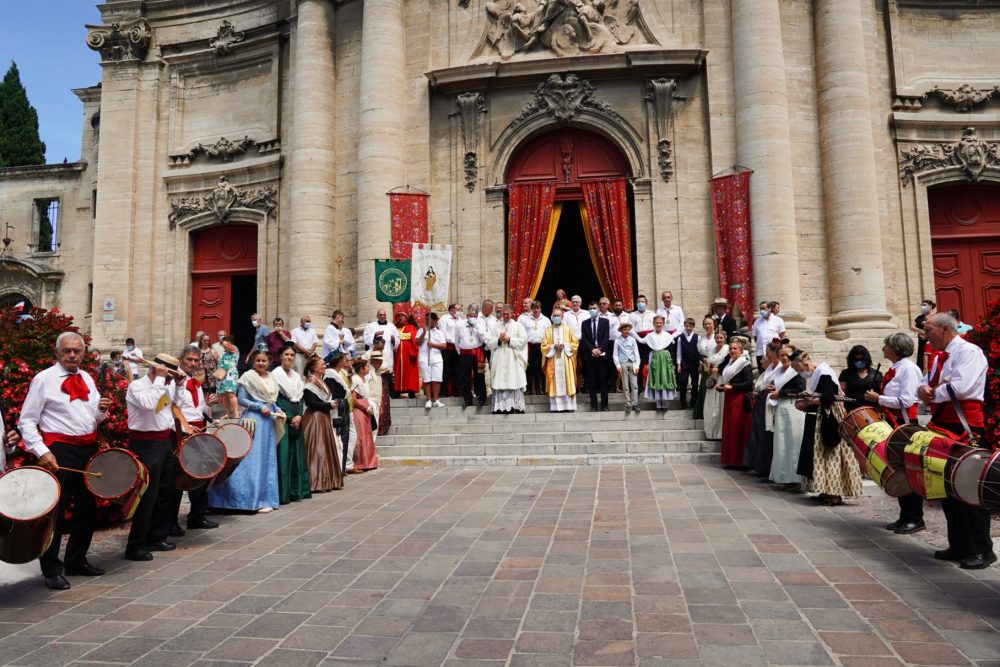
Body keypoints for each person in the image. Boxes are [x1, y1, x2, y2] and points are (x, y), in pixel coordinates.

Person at [18, 332, 110, 590]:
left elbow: (93, 419)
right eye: (67, 351)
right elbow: (26, 420)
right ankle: (51, 569)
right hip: (59, 450)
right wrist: (42, 452)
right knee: (55, 513)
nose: (72, 355)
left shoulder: (88, 378)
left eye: (77, 351)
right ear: (57, 353)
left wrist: (101, 410)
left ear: (83, 353)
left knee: (86, 508)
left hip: (87, 448)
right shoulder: (43, 379)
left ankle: (77, 560)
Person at [917, 313, 993, 569]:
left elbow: (960, 387)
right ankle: (959, 543)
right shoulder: (941, 357)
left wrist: (933, 393)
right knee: (946, 485)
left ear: (946, 329)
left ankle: (982, 548)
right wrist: (927, 391)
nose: (926, 335)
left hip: (964, 425)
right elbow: (928, 385)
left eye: (929, 330)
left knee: (969, 486)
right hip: (943, 424)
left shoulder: (969, 352)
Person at [124, 354, 183, 562]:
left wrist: (178, 385)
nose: (169, 378)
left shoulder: (165, 384)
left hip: (164, 441)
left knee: (165, 492)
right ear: (156, 370)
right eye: (168, 373)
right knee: (147, 496)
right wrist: (160, 380)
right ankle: (135, 545)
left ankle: (156, 536)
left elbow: (175, 404)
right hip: (146, 443)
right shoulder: (138, 386)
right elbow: (149, 404)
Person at [864, 333, 923, 535]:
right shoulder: (897, 369)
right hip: (893, 423)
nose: (883, 349)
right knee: (898, 468)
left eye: (886, 345)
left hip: (905, 424)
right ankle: (905, 515)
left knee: (907, 470)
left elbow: (906, 401)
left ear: (895, 349)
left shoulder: (908, 369)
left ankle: (915, 517)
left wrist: (878, 398)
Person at [209, 350, 282, 513]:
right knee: (252, 460)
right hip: (254, 420)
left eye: (264, 361)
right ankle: (242, 500)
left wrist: (278, 409)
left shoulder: (271, 377)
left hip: (268, 421)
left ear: (269, 362)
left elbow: (271, 400)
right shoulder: (247, 377)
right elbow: (241, 399)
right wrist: (259, 406)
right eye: (258, 361)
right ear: (253, 362)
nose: (261, 363)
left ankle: (264, 499)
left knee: (266, 459)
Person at [792, 351, 863, 506]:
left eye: (800, 370)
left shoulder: (823, 372)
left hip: (830, 416)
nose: (803, 374)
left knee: (832, 453)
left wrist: (806, 403)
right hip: (822, 415)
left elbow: (828, 397)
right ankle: (825, 490)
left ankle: (834, 493)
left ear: (805, 364)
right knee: (821, 454)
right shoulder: (819, 373)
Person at [171, 346, 218, 533]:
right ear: (181, 359)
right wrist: (186, 429)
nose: (193, 363)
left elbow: (199, 411)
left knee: (201, 473)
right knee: (178, 477)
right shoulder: (175, 380)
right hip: (180, 431)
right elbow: (171, 410)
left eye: (196, 360)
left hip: (199, 429)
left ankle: (197, 516)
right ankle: (170, 522)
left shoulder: (196, 383)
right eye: (189, 359)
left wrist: (208, 405)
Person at [272, 346, 312, 504]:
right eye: (286, 354)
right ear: (280, 356)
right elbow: (275, 399)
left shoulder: (296, 376)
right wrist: (289, 417)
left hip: (297, 417)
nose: (289, 357)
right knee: (284, 456)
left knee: (297, 456)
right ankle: (284, 493)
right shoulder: (275, 374)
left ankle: (298, 491)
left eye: (292, 355)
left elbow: (301, 398)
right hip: (283, 418)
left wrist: (300, 416)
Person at [301, 356, 344, 491]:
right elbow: (311, 403)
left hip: (323, 417)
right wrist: (328, 405)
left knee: (325, 447)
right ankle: (316, 481)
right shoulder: (310, 382)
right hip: (314, 418)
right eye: (321, 364)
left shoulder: (321, 381)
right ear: (314, 367)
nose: (324, 366)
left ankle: (327, 480)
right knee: (317, 448)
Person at [767, 345, 807, 487]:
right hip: (781, 408)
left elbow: (801, 389)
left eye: (787, 355)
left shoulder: (795, 371)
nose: (785, 358)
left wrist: (781, 393)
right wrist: (774, 390)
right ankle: (784, 476)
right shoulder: (779, 371)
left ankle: (796, 479)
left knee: (794, 442)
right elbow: (779, 388)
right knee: (782, 443)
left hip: (793, 408)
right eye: (782, 355)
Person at [744, 343, 781, 477]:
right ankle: (759, 464)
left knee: (766, 434)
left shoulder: (780, 368)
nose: (765, 354)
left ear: (773, 353)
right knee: (759, 432)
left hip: (770, 402)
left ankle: (765, 465)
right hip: (761, 402)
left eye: (768, 352)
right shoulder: (770, 368)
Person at [716, 338, 753, 467]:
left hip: (739, 400)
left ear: (740, 350)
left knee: (738, 428)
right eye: (730, 348)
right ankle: (730, 459)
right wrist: (722, 386)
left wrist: (732, 387)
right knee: (729, 428)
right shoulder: (730, 363)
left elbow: (749, 383)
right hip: (729, 398)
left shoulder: (744, 363)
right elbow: (729, 382)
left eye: (735, 348)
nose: (732, 350)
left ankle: (739, 461)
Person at [487, 304, 528, 414]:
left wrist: (509, 339)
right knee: (500, 381)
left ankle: (516, 406)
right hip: (500, 357)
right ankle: (500, 407)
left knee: (513, 380)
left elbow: (523, 341)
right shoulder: (496, 327)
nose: (505, 316)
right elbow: (489, 341)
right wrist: (499, 341)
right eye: (503, 314)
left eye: (507, 314)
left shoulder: (518, 326)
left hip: (513, 357)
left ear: (512, 313)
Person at [542, 306, 580, 412]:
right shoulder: (548, 330)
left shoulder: (568, 329)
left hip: (565, 360)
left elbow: (575, 344)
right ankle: (556, 407)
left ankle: (569, 406)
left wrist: (565, 345)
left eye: (558, 315)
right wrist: (553, 346)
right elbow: (543, 346)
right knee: (555, 381)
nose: (556, 317)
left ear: (562, 317)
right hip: (553, 360)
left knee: (567, 380)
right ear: (551, 317)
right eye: (554, 315)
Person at [638, 315, 678, 412]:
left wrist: (672, 362)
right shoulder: (650, 336)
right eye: (657, 323)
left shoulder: (667, 335)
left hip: (665, 359)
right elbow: (646, 350)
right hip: (654, 359)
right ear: (653, 323)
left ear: (663, 324)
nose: (658, 324)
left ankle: (664, 403)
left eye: (660, 323)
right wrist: (647, 363)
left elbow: (671, 349)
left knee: (664, 379)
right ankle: (658, 404)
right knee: (655, 379)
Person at [324, 350, 355, 471]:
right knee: (339, 437)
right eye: (343, 359)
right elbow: (332, 394)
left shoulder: (338, 373)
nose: (346, 361)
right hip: (336, 408)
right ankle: (338, 467)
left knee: (344, 436)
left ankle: (342, 466)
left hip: (342, 406)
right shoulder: (330, 374)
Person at [579, 301, 612, 411]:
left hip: (602, 355)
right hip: (590, 355)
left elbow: (606, 337)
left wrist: (600, 349)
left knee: (603, 381)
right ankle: (593, 405)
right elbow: (584, 339)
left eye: (594, 308)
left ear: (598, 309)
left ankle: (604, 405)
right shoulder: (585, 323)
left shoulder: (605, 321)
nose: (592, 310)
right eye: (590, 308)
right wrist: (592, 349)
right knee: (591, 382)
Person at [350, 358, 379, 472]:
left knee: (367, 435)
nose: (368, 369)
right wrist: (365, 406)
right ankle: (361, 462)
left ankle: (369, 462)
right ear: (361, 369)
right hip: (359, 411)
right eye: (367, 367)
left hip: (366, 410)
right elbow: (353, 399)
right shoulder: (355, 380)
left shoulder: (362, 380)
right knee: (361, 437)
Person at [518, 300, 551, 395]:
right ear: (531, 309)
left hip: (542, 346)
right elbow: (522, 333)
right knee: (529, 368)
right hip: (529, 346)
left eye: (538, 308)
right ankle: (528, 390)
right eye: (534, 308)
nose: (536, 310)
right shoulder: (526, 320)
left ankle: (541, 389)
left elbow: (549, 334)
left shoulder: (546, 320)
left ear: (540, 309)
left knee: (541, 367)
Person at [363, 309, 401, 391]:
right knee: (374, 372)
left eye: (384, 314)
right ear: (377, 316)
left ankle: (389, 394)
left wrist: (394, 340)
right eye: (380, 315)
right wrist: (374, 335)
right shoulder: (371, 326)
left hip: (388, 353)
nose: (382, 316)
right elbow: (366, 339)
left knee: (387, 372)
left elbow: (398, 339)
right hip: (375, 354)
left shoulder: (392, 326)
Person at [457, 304, 487, 407]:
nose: (471, 317)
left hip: (478, 353)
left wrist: (477, 327)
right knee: (464, 377)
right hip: (465, 354)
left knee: (480, 375)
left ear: (477, 316)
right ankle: (467, 399)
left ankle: (481, 398)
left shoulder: (480, 325)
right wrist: (460, 352)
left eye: (474, 316)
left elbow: (484, 339)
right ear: (466, 315)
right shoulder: (460, 325)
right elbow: (456, 340)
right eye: (470, 315)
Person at [701, 331, 728, 440]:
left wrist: (718, 369)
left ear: (724, 338)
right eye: (717, 338)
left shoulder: (726, 349)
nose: (719, 340)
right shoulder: (712, 349)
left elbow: (727, 364)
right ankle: (710, 431)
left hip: (721, 377)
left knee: (719, 404)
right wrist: (707, 368)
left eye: (721, 338)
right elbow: (707, 362)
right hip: (712, 377)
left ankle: (719, 432)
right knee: (710, 403)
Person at [420, 312, 447, 408]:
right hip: (424, 358)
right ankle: (428, 400)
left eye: (430, 319)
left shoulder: (440, 332)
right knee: (427, 379)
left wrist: (433, 345)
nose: (428, 321)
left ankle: (436, 399)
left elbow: (444, 346)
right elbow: (417, 343)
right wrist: (424, 332)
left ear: (435, 321)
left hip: (437, 358)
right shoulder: (421, 330)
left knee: (437, 379)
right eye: (426, 319)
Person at [612, 320, 640, 412]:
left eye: (628, 329)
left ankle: (635, 403)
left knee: (634, 384)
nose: (627, 331)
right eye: (625, 329)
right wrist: (618, 365)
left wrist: (637, 364)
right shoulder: (617, 340)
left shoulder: (632, 340)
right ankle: (627, 403)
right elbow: (615, 354)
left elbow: (636, 353)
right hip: (623, 362)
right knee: (625, 385)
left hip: (632, 362)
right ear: (621, 330)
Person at [692, 317, 717, 420]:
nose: (707, 326)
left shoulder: (717, 337)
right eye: (705, 324)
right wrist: (701, 362)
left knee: (713, 388)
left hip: (715, 366)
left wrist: (711, 360)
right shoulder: (701, 338)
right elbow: (699, 353)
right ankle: (702, 412)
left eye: (709, 324)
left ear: (713, 324)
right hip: (704, 366)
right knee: (703, 387)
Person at [675, 318, 701, 410]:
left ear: (693, 327)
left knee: (694, 383)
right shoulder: (680, 338)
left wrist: (700, 364)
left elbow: (700, 351)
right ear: (684, 326)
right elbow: (679, 352)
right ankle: (683, 402)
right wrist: (678, 364)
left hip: (695, 363)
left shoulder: (698, 337)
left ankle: (693, 402)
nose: (688, 328)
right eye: (687, 326)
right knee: (683, 382)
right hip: (684, 363)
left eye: (690, 326)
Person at [394, 312, 422, 398]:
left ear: (406, 318)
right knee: (398, 371)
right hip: (398, 354)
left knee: (410, 371)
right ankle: (398, 390)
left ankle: (411, 390)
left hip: (408, 353)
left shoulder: (411, 327)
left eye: (403, 316)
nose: (401, 318)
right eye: (399, 316)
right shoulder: (395, 328)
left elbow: (414, 339)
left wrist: (414, 351)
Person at [751, 302, 786, 369]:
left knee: (775, 373)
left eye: (763, 308)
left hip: (774, 353)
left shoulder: (778, 320)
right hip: (760, 353)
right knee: (762, 375)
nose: (761, 311)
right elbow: (756, 338)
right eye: (760, 309)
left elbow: (781, 335)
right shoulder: (757, 322)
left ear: (770, 308)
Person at [631, 295, 655, 390]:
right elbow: (631, 328)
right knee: (638, 362)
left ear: (646, 303)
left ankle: (651, 383)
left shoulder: (652, 314)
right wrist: (638, 338)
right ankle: (640, 385)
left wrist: (647, 338)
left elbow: (655, 327)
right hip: (637, 339)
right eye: (638, 302)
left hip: (649, 340)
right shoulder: (632, 315)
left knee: (650, 361)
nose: (640, 303)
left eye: (642, 302)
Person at [366, 350, 392, 436]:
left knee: (374, 429)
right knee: (370, 429)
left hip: (376, 402)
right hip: (370, 402)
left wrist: (380, 404)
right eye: (379, 360)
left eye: (381, 361)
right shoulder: (368, 372)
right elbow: (364, 388)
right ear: (374, 361)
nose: (380, 362)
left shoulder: (377, 372)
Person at [217, 336, 240, 419]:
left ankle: (236, 414)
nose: (222, 345)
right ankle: (228, 413)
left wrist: (223, 341)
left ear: (229, 342)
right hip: (223, 375)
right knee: (225, 395)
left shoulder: (234, 349)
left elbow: (228, 346)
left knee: (231, 394)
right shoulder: (224, 352)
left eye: (223, 342)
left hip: (231, 374)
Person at [911, 298, 935, 370]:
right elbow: (912, 326)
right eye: (922, 305)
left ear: (930, 306)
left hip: (932, 341)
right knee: (921, 357)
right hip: (922, 341)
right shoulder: (920, 317)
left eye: (924, 305)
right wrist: (921, 331)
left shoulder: (935, 316)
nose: (922, 307)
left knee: (931, 356)